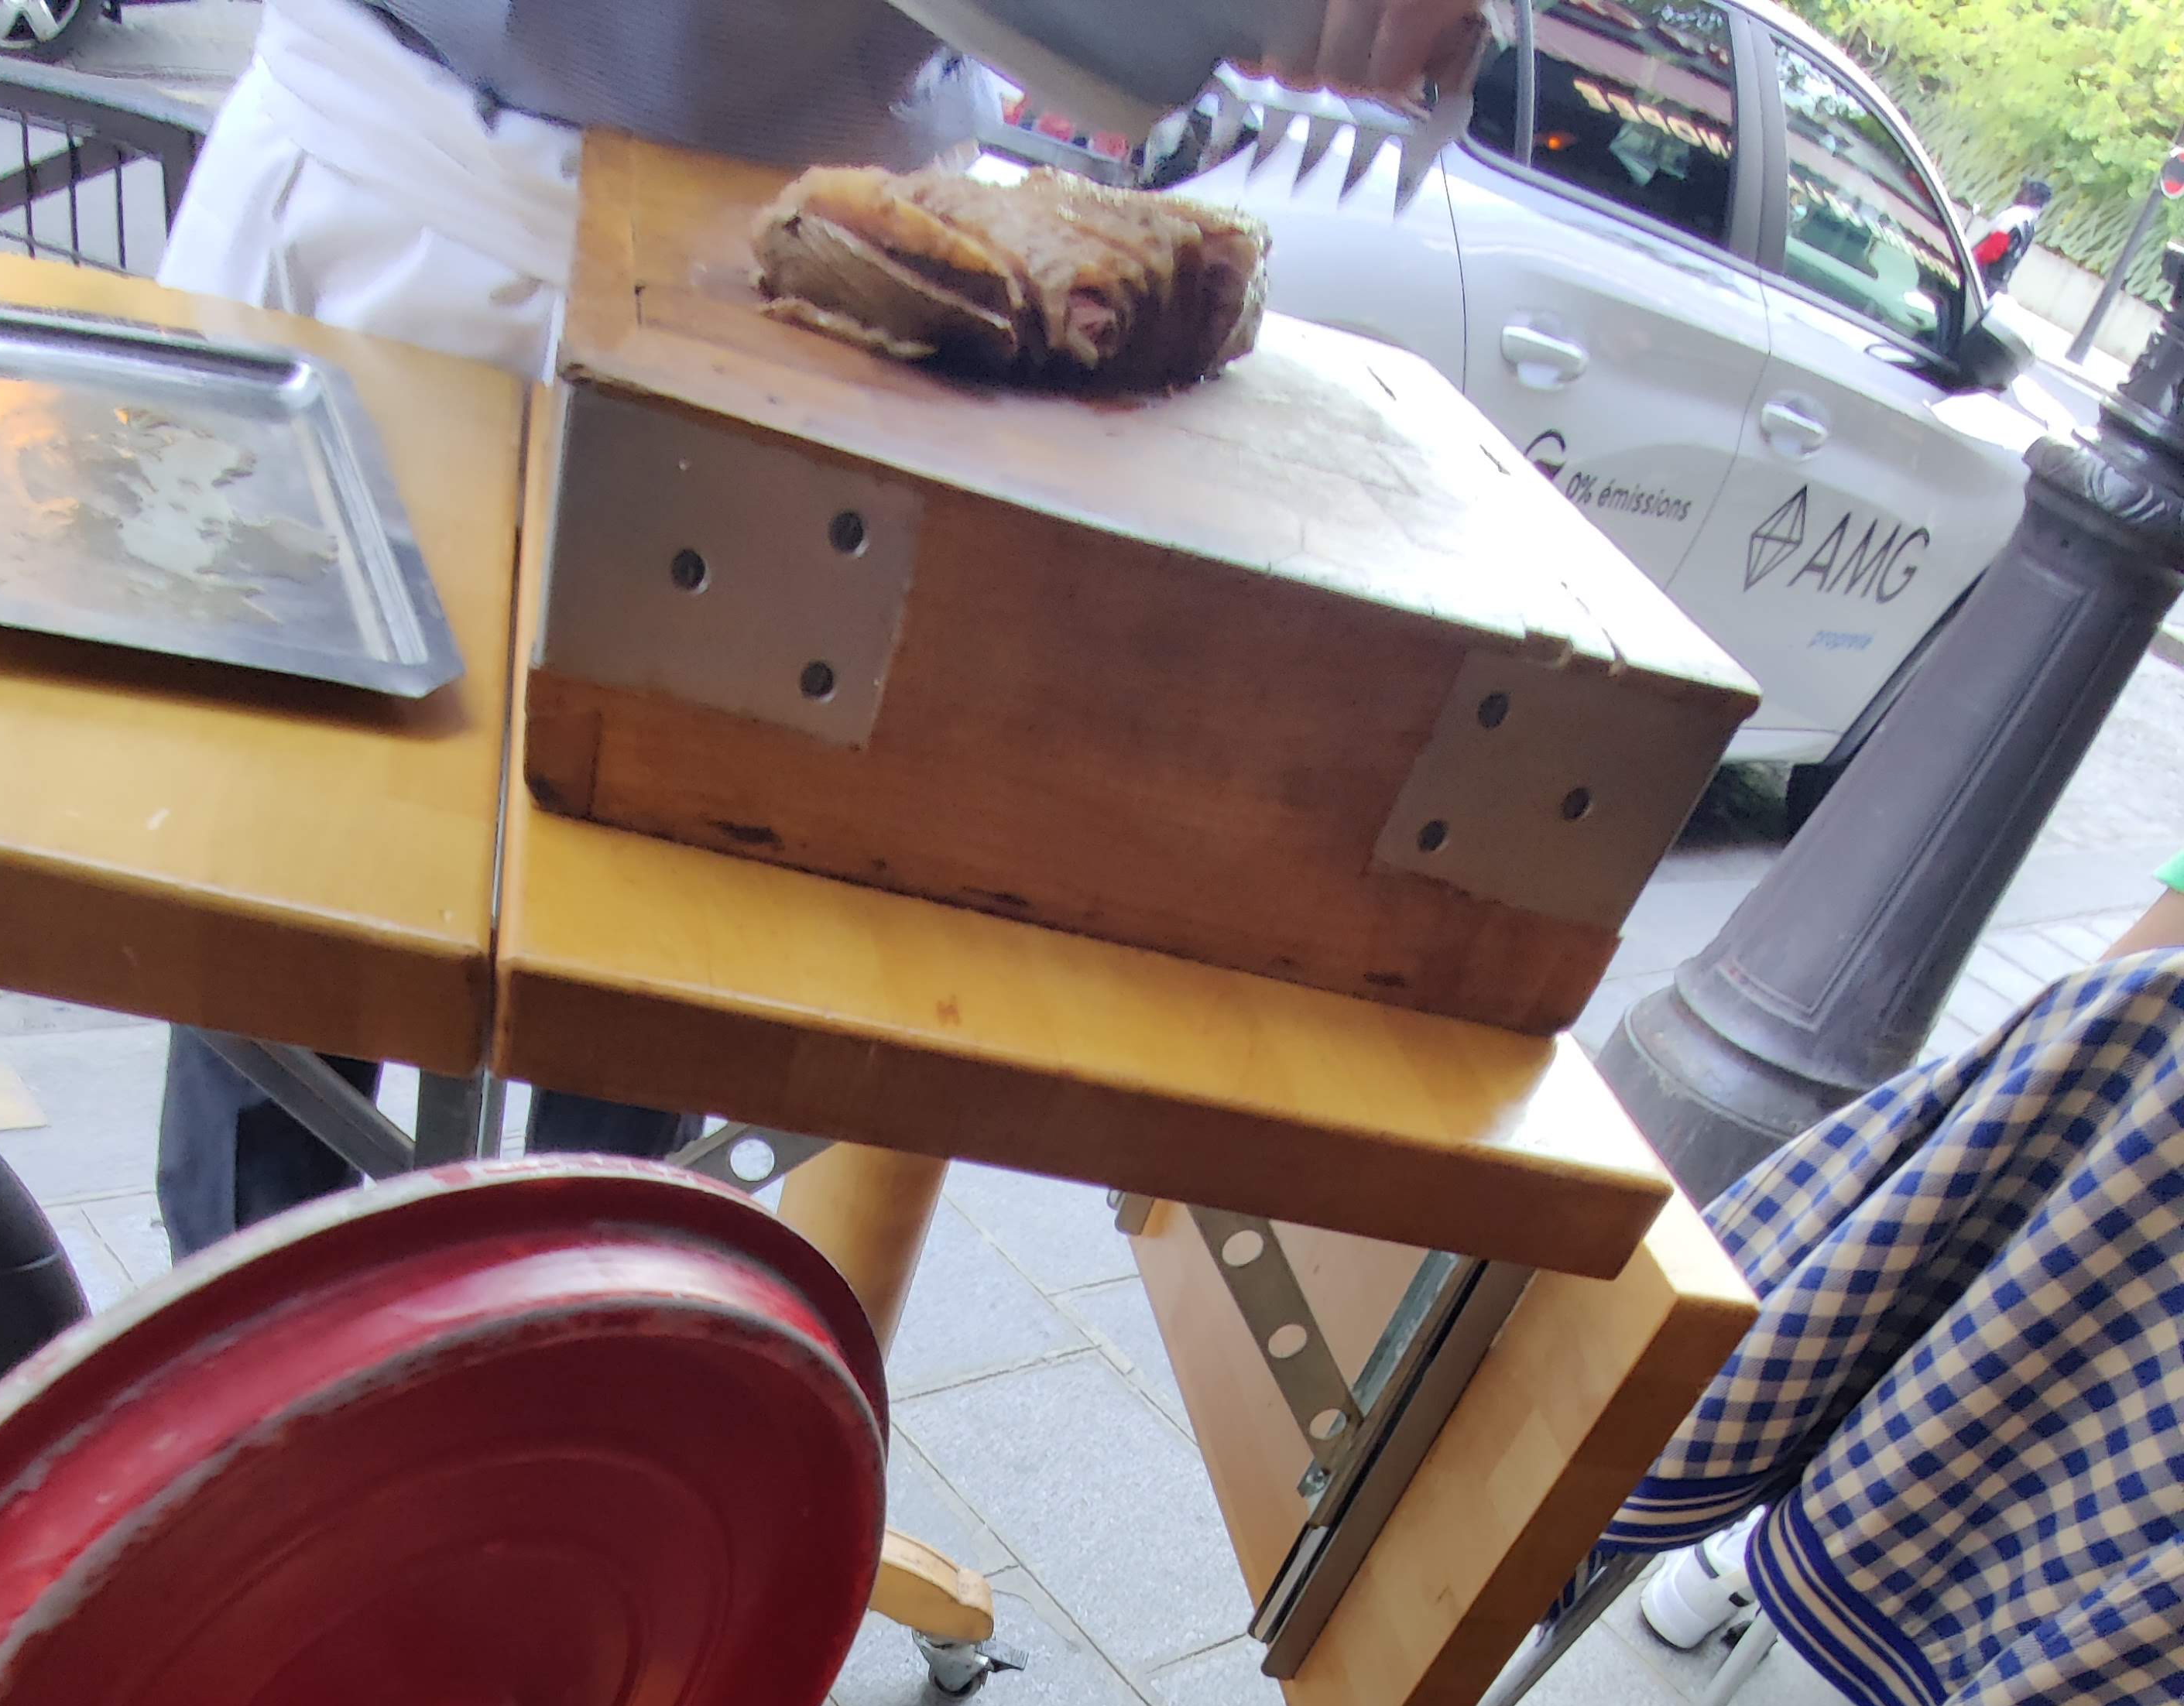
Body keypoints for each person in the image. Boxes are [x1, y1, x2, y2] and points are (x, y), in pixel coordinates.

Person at [153, 0, 1488, 1253]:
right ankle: (259, 1406)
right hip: (413, 210)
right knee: (292, 966)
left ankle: (568, 1374)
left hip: (827, 283)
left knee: (656, 1003)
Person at [1970, 175, 2051, 298]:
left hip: (1981, 278)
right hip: (1995, 283)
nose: (2020, 192)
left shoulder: (2015, 216)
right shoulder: (2030, 224)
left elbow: (1991, 251)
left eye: (2025, 190)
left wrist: (1968, 264)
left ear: (2034, 199)